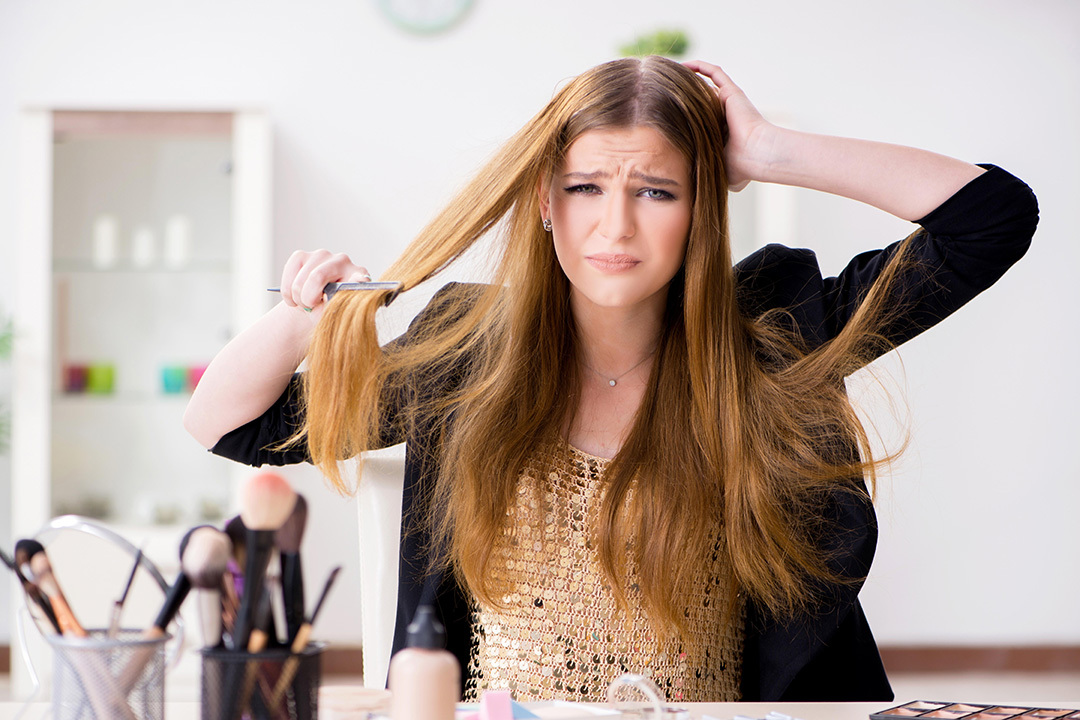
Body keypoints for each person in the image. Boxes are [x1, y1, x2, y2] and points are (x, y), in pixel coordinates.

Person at [183, 56, 1038, 702]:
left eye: (658, 191)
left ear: (703, 205)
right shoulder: (471, 353)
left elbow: (991, 220)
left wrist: (770, 150)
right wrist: (302, 316)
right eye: (586, 186)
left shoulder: (769, 336)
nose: (616, 225)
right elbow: (227, 425)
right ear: (546, 203)